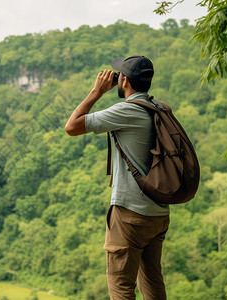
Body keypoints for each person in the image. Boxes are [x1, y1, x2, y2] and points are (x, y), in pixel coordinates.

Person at [64, 55, 170, 300]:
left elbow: (72, 127)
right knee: (153, 283)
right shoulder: (161, 108)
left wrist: (96, 92)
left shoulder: (126, 111)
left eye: (120, 74)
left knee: (121, 286)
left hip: (130, 215)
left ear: (124, 81)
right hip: (158, 213)